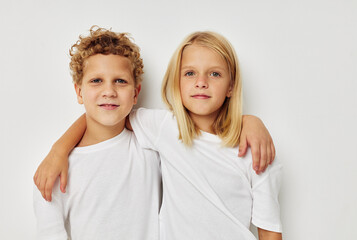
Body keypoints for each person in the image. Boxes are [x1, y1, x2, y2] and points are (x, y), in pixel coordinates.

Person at [33, 30, 279, 239]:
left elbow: (269, 226)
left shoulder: (157, 138)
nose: (108, 91)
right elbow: (104, 115)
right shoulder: (164, 130)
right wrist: (59, 149)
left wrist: (250, 120)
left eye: (214, 74)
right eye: (190, 73)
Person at [33, 26, 161, 240]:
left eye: (120, 81)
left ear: (136, 93)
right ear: (79, 91)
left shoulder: (151, 147)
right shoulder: (54, 171)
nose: (109, 91)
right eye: (96, 81)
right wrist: (59, 150)